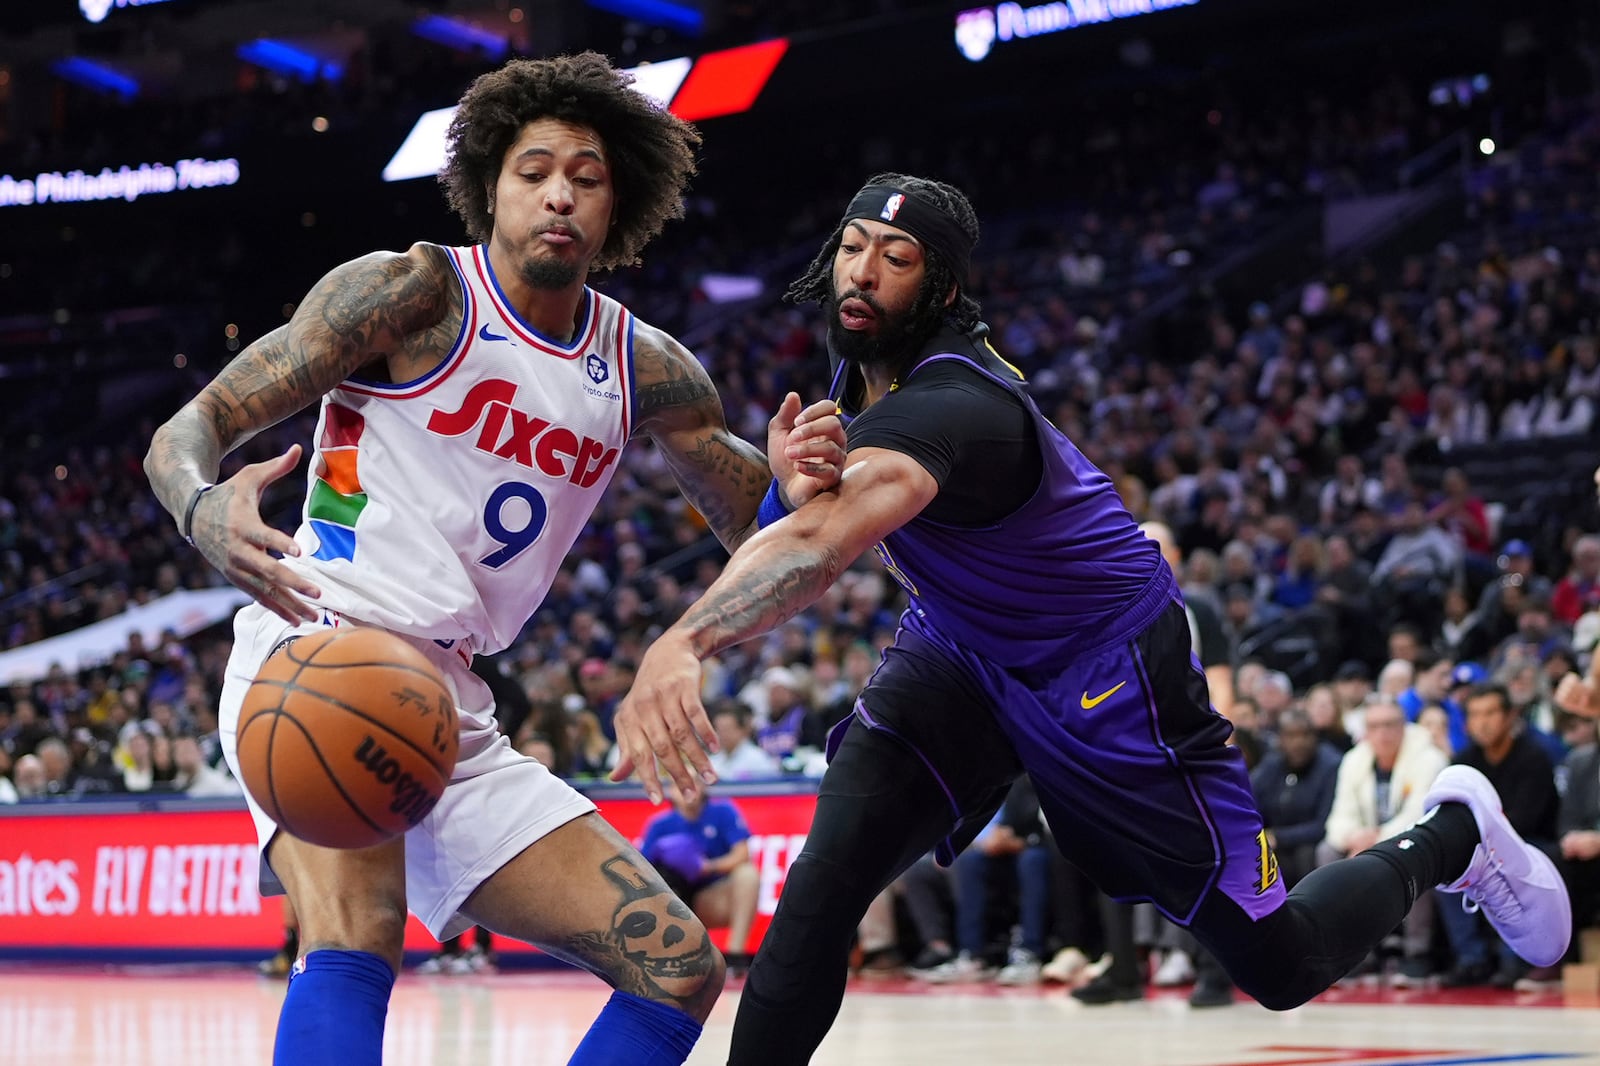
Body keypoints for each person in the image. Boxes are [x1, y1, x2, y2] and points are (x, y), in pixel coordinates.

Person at [611, 173, 1571, 1063]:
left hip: (1106, 672)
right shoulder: (857, 364)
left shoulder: (957, 405)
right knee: (819, 896)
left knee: (1281, 966)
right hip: (959, 652)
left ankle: (1450, 833)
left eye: (894, 260)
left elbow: (822, 547)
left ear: (941, 288)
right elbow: (805, 517)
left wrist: (684, 639)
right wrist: (786, 487)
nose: (861, 273)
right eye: (854, 245)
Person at [142, 54, 846, 1066]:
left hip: (453, 702)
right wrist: (202, 507)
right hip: (322, 644)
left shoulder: (647, 368)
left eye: (588, 176)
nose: (560, 193)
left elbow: (760, 537)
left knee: (678, 964)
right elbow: (193, 424)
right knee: (356, 931)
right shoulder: (411, 293)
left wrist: (789, 484)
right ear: (488, 186)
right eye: (533, 170)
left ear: (620, 204)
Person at [640, 780, 762, 974]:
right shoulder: (659, 825)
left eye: (693, 782)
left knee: (748, 875)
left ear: (703, 786)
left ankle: (734, 957)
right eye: (679, 783)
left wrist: (706, 867)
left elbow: (742, 854)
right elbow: (641, 871)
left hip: (711, 896)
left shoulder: (723, 811)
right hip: (675, 901)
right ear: (671, 791)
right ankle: (666, 956)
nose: (687, 789)